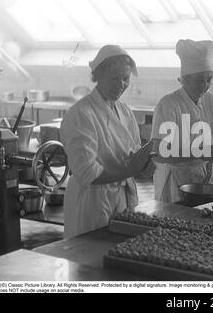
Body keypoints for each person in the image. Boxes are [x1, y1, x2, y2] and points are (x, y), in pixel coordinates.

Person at [60, 45, 154, 238]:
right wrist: (131, 169)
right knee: (88, 261)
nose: (121, 84)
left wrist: (146, 164)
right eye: (114, 78)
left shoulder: (125, 111)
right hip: (91, 203)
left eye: (125, 78)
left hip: (121, 200)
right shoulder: (81, 113)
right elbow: (87, 172)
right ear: (97, 76)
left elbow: (131, 156)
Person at [151, 39, 213, 203]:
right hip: (175, 179)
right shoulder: (168, 104)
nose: (205, 85)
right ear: (184, 79)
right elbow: (159, 152)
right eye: (199, 80)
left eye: (209, 79)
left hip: (207, 177)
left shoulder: (211, 101)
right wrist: (201, 151)